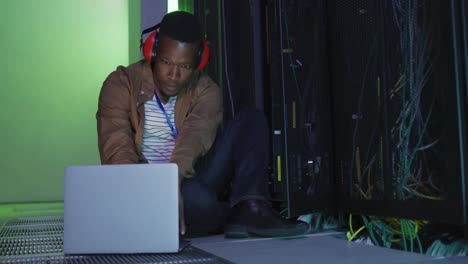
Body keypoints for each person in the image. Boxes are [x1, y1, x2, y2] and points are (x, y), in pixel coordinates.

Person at [96, 11, 309, 238]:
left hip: (186, 180)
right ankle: (226, 214)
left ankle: (250, 207)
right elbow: (117, 149)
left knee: (251, 121)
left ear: (199, 60)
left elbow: (195, 136)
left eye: (185, 67)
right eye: (166, 62)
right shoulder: (121, 84)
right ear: (153, 50)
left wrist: (173, 181)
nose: (174, 75)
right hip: (142, 188)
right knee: (201, 201)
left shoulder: (207, 90)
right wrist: (143, 198)